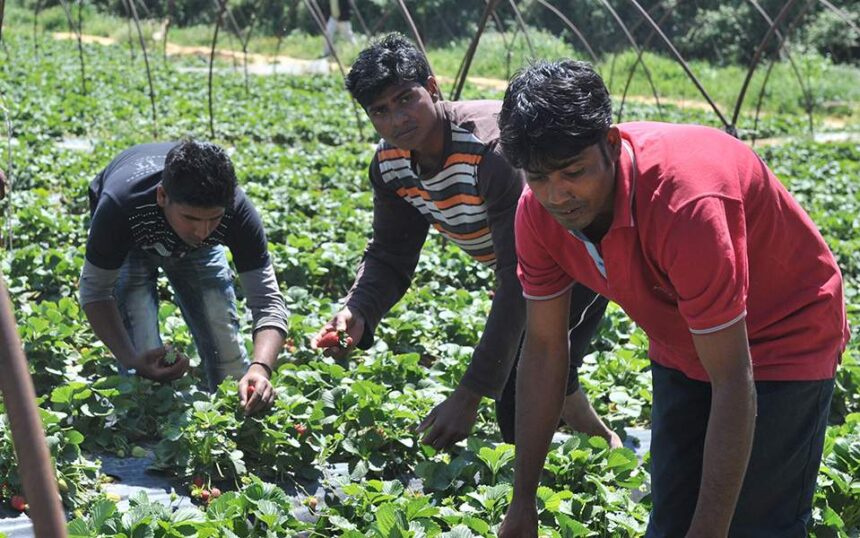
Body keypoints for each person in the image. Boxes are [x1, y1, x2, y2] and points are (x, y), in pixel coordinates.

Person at [496, 60, 849, 537]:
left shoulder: (687, 206)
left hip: (783, 334)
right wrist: (522, 502)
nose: (558, 195)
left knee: (758, 524)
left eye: (573, 172)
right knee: (670, 520)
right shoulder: (537, 213)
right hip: (683, 340)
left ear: (611, 145)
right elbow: (543, 348)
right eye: (538, 178)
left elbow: (732, 377)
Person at [312, 34, 620, 451]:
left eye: (406, 99)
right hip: (528, 268)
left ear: (433, 88)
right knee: (549, 370)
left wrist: (471, 392)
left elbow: (517, 279)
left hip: (577, 251)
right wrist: (359, 309)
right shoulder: (390, 164)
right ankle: (605, 445)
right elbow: (391, 251)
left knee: (523, 383)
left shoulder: (489, 153)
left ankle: (543, 492)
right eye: (380, 111)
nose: (397, 119)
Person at [79, 140, 289, 415]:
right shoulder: (120, 206)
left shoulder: (237, 212)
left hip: (198, 255)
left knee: (227, 354)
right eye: (191, 218)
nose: (202, 231)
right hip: (131, 243)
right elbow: (95, 292)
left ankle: (228, 422)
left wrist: (260, 368)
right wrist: (131, 358)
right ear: (162, 195)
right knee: (144, 364)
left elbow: (268, 301)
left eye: (213, 219)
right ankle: (150, 421)